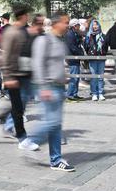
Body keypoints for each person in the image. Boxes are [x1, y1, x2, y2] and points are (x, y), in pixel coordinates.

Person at [18, 12, 76, 172]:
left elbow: (57, 63)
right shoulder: (44, 40)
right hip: (48, 88)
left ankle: (56, 160)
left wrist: (64, 77)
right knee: (52, 123)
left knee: (56, 126)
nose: (68, 25)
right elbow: (37, 64)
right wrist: (43, 87)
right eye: (66, 22)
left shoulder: (59, 41)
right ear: (56, 23)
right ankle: (29, 142)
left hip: (58, 87)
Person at [0, 5, 32, 141]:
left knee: (19, 106)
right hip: (14, 75)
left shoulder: (23, 30)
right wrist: (8, 76)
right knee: (18, 107)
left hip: (23, 74)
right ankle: (22, 137)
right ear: (22, 16)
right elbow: (5, 56)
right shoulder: (12, 32)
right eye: (27, 15)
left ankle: (6, 124)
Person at [84, 18, 108, 101]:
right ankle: (94, 93)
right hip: (92, 58)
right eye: (93, 25)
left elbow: (106, 46)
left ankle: (100, 93)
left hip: (101, 58)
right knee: (94, 77)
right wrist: (90, 53)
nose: (95, 26)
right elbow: (86, 46)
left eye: (96, 24)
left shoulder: (103, 36)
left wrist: (103, 53)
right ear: (91, 26)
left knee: (100, 77)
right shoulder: (88, 36)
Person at [64, 19, 85, 101]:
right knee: (74, 77)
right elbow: (72, 47)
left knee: (77, 77)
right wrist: (81, 53)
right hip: (72, 58)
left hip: (75, 58)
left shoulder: (75, 33)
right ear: (74, 26)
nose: (79, 26)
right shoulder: (70, 34)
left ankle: (75, 94)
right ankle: (70, 95)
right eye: (78, 25)